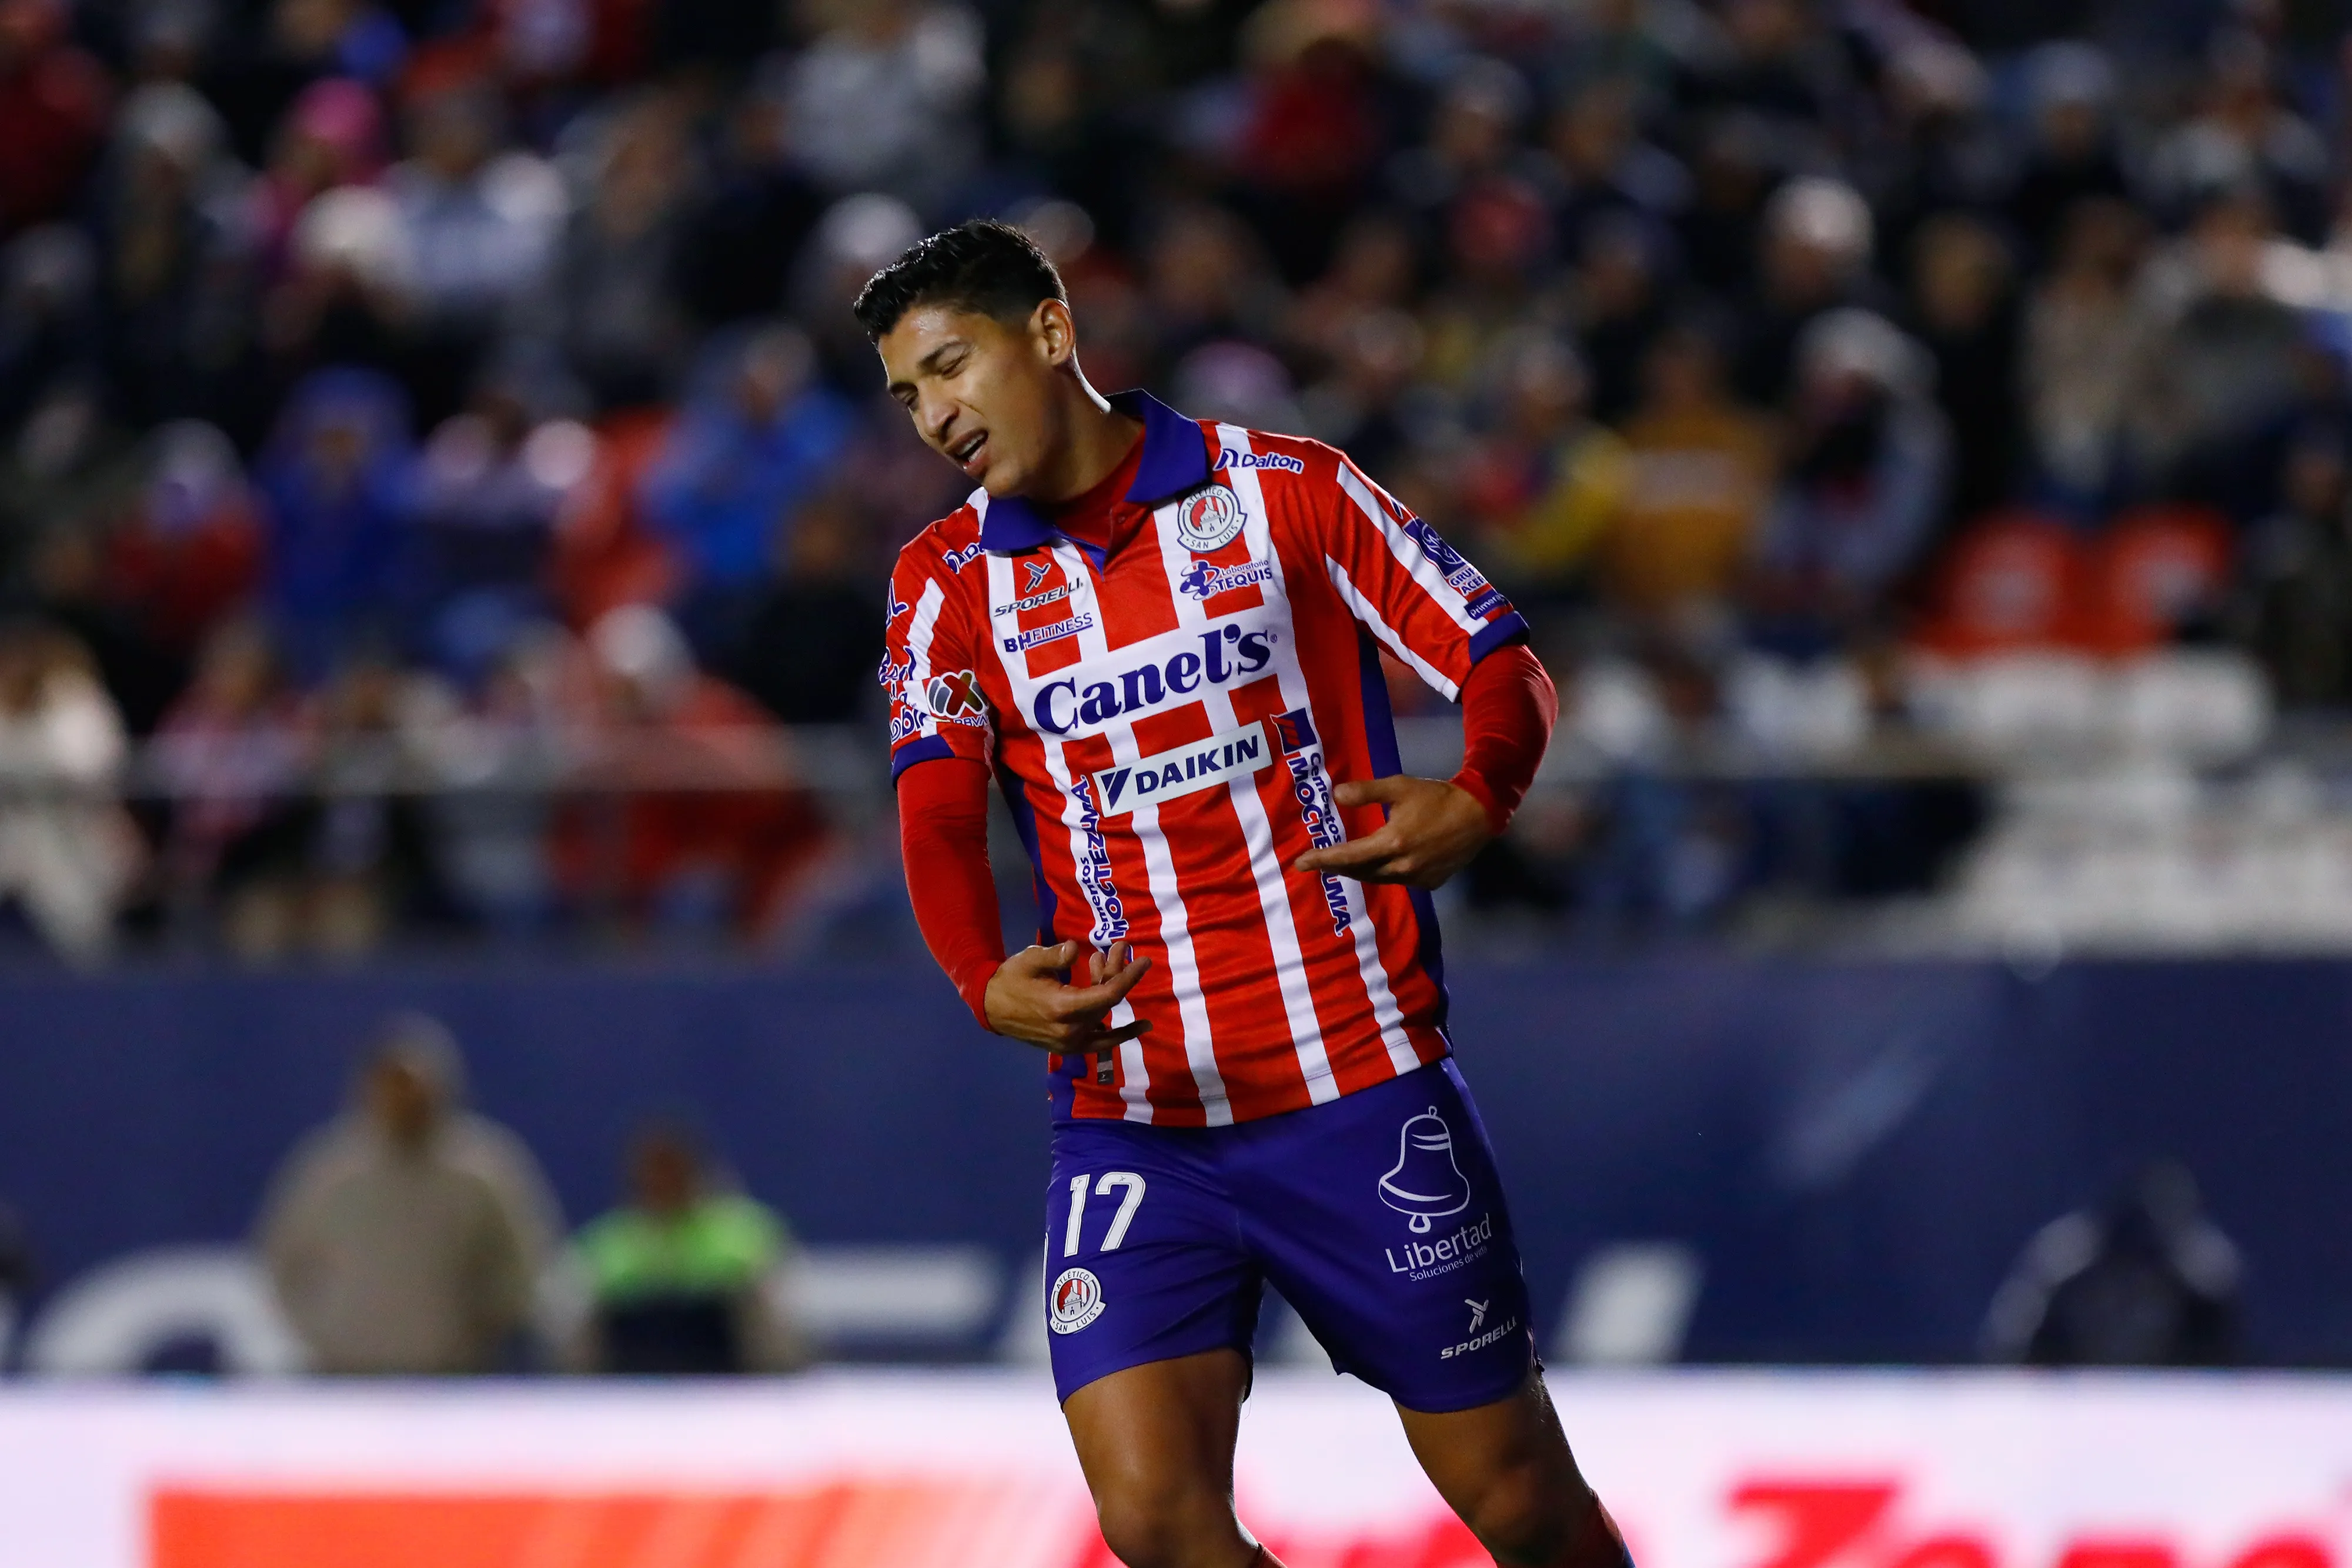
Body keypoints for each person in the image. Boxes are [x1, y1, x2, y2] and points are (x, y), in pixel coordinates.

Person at [861, 220, 1628, 1568]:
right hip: (1133, 1118)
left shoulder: (1283, 491)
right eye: (907, 397)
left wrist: (1483, 791)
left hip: (1356, 1092)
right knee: (1155, 1523)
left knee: (1519, 1504)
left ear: (1047, 332)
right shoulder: (940, 586)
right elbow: (932, 812)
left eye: (948, 368)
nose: (933, 416)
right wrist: (976, 973)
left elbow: (1500, 658)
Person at [258, 1011, 561, 1374]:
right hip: (346, 1375)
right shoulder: (331, 1169)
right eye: (391, 1085)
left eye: (413, 1086)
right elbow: (282, 1262)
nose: (403, 1099)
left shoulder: (482, 1170)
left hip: (448, 1376)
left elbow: (525, 1265)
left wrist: (484, 1329)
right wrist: (323, 1335)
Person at [567, 1120, 801, 1373]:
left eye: (672, 1170)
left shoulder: (744, 1237)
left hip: (729, 1387)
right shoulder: (608, 1244)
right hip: (631, 1389)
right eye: (651, 1171)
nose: (662, 1181)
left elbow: (776, 1334)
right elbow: (580, 1339)